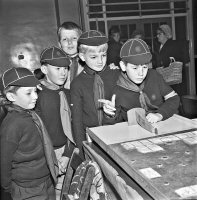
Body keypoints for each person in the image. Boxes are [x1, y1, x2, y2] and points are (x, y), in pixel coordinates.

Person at [0, 67, 58, 200]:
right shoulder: (12, 125)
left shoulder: (30, 114)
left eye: (36, 91)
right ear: (11, 96)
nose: (36, 96)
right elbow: (4, 160)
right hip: (27, 188)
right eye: (28, 93)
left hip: (46, 179)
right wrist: (8, 189)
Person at [99, 38, 180, 124]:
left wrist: (160, 114)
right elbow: (115, 125)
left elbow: (173, 98)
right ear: (123, 66)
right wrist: (110, 114)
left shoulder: (154, 76)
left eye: (145, 67)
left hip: (162, 125)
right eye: (135, 68)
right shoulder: (116, 87)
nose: (141, 73)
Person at [70, 30, 120, 158]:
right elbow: (77, 121)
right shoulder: (77, 83)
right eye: (93, 57)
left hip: (117, 135)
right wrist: (82, 149)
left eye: (103, 55)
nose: (100, 61)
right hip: (92, 139)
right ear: (82, 57)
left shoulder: (116, 75)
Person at [35, 46, 75, 197]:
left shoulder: (67, 94)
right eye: (58, 68)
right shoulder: (36, 95)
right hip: (45, 154)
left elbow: (73, 126)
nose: (63, 73)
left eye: (65, 68)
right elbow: (37, 132)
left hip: (67, 150)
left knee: (67, 192)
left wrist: (67, 153)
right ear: (44, 69)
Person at [152, 24, 190, 96]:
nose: (157, 36)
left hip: (173, 80)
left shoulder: (174, 45)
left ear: (166, 34)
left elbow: (183, 54)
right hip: (164, 79)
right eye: (157, 34)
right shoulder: (159, 46)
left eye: (159, 34)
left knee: (174, 99)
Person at [57, 21, 84, 89]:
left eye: (74, 38)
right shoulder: (56, 64)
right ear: (60, 44)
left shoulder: (89, 61)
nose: (69, 42)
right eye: (65, 39)